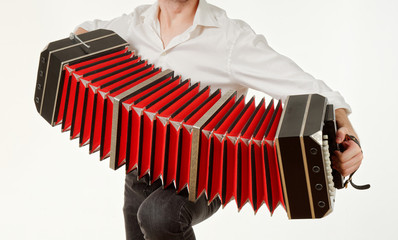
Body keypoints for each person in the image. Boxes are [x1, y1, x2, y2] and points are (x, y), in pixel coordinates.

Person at [75, 0, 364, 239]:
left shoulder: (230, 39)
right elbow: (86, 32)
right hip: (139, 170)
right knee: (146, 216)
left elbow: (310, 89)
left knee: (158, 214)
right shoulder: (133, 24)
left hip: (205, 172)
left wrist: (349, 134)